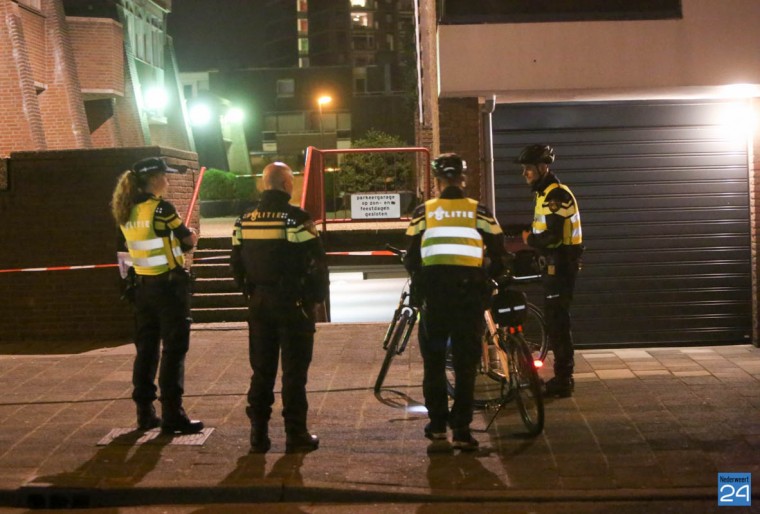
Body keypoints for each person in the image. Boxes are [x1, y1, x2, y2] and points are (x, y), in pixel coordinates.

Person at [404, 153, 508, 451]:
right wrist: (487, 275)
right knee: (465, 365)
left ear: (436, 182)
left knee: (434, 363)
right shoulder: (481, 212)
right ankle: (462, 429)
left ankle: (437, 425)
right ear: (463, 180)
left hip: (434, 299)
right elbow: (500, 255)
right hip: (469, 299)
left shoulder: (424, 212)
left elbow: (410, 257)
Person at [230, 162, 329, 454]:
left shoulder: (244, 220)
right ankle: (295, 433)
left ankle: (258, 435)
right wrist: (314, 299)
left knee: (261, 371)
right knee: (294, 373)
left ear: (264, 185)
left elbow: (235, 263)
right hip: (292, 305)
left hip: (259, 304)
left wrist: (250, 293)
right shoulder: (296, 219)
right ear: (287, 185)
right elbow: (316, 264)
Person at [110, 157, 204, 434]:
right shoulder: (162, 209)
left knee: (146, 351)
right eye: (165, 175)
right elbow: (186, 239)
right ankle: (173, 414)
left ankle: (145, 413)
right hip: (169, 288)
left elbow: (130, 249)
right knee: (174, 351)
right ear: (154, 179)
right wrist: (192, 238)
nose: (168, 180)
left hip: (142, 290)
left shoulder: (126, 209)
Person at [516, 144, 583, 398]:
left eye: (528, 170)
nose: (525, 174)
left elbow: (552, 237)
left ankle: (564, 379)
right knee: (556, 320)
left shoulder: (556, 195)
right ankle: (563, 376)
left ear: (543, 167)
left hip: (561, 266)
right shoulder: (545, 194)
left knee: (558, 322)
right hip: (554, 265)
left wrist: (528, 240)